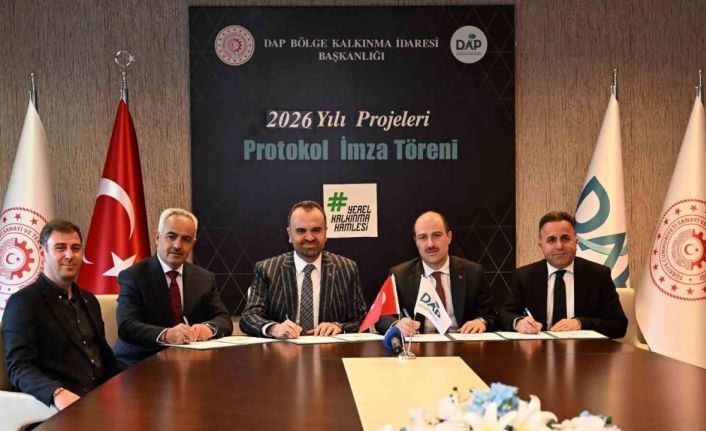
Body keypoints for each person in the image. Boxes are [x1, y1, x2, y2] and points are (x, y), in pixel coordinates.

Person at [2, 220, 123, 410]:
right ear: (43, 253)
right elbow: (19, 368)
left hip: (104, 398)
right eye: (60, 248)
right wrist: (56, 393)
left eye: (75, 248)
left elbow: (104, 359)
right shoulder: (23, 303)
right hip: (61, 408)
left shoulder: (89, 300)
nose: (69, 255)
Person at [114, 208, 232, 365]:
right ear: (157, 238)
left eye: (186, 239)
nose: (177, 245)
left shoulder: (204, 278)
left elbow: (224, 319)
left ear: (193, 243)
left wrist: (208, 328)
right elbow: (127, 326)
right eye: (171, 237)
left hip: (190, 362)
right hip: (141, 361)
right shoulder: (133, 276)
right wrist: (166, 335)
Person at [240, 200, 367, 338]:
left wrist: (339, 327)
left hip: (330, 348)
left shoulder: (347, 269)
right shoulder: (267, 269)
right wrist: (274, 328)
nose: (309, 237)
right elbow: (249, 317)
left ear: (325, 233)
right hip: (283, 349)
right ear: (289, 234)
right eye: (301, 231)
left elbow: (362, 320)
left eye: (316, 230)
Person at [500, 211, 627, 338]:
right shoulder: (524, 276)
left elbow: (619, 325)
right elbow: (504, 315)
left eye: (565, 238)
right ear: (541, 246)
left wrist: (580, 323)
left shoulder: (598, 275)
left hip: (585, 348)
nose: (559, 246)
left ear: (576, 242)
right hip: (539, 348)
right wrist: (519, 323)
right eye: (551, 240)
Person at [376, 211, 497, 336]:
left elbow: (490, 315)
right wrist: (397, 324)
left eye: (437, 235)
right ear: (416, 241)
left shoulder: (473, 272)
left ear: (449, 237)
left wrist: (481, 321)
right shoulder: (400, 275)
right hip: (419, 344)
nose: (430, 244)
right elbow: (380, 317)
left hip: (463, 342)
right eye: (423, 237)